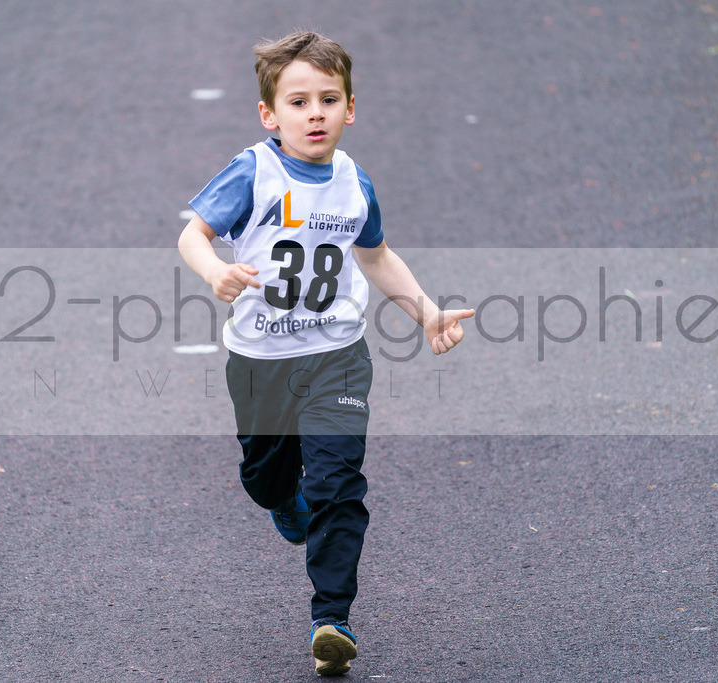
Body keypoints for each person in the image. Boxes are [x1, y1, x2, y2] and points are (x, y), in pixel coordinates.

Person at [177, 30, 474, 676]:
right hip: (260, 361)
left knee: (340, 483)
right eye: (299, 101)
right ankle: (285, 498)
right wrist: (214, 273)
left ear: (351, 108)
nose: (315, 113)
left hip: (337, 355)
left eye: (329, 99)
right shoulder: (253, 172)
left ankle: (331, 619)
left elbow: (374, 255)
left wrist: (426, 311)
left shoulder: (353, 182)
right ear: (269, 114)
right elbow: (194, 233)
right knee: (264, 476)